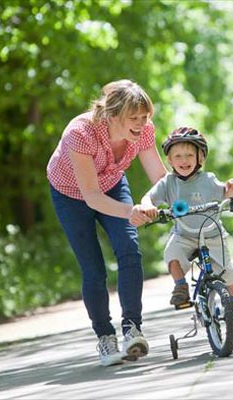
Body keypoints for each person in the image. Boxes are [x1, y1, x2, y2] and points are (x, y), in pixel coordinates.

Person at [46, 79, 167, 366]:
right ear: (113, 116)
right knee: (93, 269)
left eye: (145, 117)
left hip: (112, 184)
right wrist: (130, 212)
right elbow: (91, 196)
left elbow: (160, 178)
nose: (141, 123)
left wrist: (162, 202)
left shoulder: (143, 131)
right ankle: (105, 337)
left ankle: (132, 330)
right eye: (134, 118)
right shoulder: (81, 133)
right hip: (72, 194)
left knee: (129, 250)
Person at [140, 127, 233, 323]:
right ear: (169, 160)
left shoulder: (207, 180)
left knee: (228, 271)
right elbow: (148, 198)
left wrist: (231, 188)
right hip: (184, 234)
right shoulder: (167, 183)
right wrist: (147, 206)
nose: (184, 160)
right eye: (178, 156)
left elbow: (224, 193)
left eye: (189, 155)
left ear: (200, 158)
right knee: (172, 255)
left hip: (212, 234)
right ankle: (180, 287)